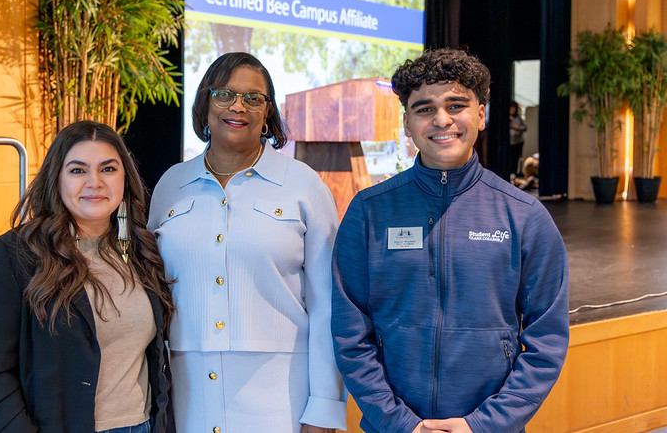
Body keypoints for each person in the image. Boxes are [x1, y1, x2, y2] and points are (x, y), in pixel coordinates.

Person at [331, 48, 569, 433]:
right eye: (424, 108)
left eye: (456, 105)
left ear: (480, 115)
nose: (442, 119)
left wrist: (483, 425)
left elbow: (547, 341)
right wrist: (400, 423)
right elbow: (350, 334)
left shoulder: (525, 216)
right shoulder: (369, 211)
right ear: (407, 123)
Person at [148, 52, 347, 433]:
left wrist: (323, 409)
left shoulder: (304, 185)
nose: (238, 106)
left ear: (268, 113)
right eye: (224, 94)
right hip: (187, 397)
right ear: (205, 104)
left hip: (280, 401)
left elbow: (329, 306)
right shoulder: (170, 185)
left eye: (254, 97)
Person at [0, 120, 175, 433]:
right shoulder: (12, 256)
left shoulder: (142, 251)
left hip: (141, 425)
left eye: (108, 169)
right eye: (78, 170)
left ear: (125, 178)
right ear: (57, 179)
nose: (95, 182)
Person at [509, 101, 527, 177]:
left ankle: (515, 173)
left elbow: (525, 128)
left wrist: (517, 127)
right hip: (508, 142)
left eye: (514, 108)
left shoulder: (518, 118)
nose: (512, 110)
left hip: (518, 142)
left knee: (516, 158)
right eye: (511, 108)